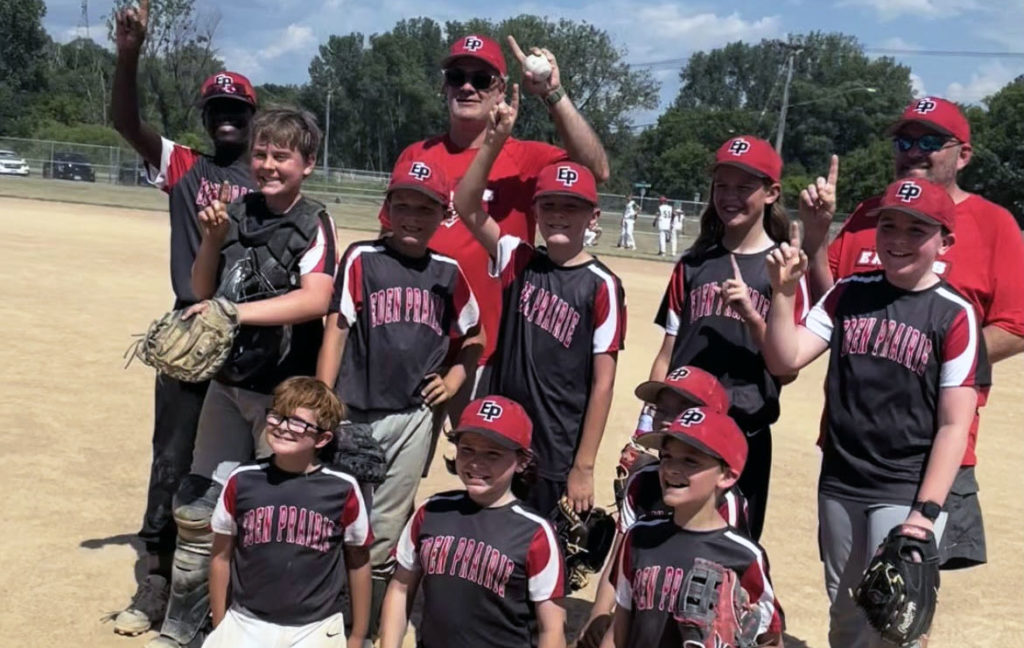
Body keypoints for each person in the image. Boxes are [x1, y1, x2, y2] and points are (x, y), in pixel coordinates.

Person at [764, 178, 990, 648]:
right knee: (846, 615)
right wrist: (783, 295)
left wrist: (924, 514)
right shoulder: (849, 292)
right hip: (842, 480)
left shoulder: (954, 314)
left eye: (916, 231)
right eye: (888, 227)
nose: (898, 241)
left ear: (944, 242)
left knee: (892, 623)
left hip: (905, 489)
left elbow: (954, 424)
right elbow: (786, 358)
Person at [800, 97, 1024, 569]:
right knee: (847, 593)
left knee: (903, 599)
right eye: (904, 141)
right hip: (852, 442)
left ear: (963, 154)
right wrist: (816, 238)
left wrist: (937, 357)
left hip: (931, 445)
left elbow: (1016, 325)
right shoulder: (870, 214)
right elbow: (830, 304)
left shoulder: (994, 223)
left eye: (929, 141)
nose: (913, 152)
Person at [149, 107, 338, 648]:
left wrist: (233, 315)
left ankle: (256, 621)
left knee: (266, 511)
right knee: (198, 505)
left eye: (283, 156)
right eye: (261, 154)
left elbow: (316, 298)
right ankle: (185, 626)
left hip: (281, 395)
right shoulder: (236, 209)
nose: (268, 165)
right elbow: (201, 288)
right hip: (229, 383)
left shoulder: (313, 221)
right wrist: (210, 239)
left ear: (307, 164)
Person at [110, 0, 258, 635]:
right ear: (207, 118)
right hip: (191, 336)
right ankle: (157, 581)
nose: (226, 118)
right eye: (217, 110)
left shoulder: (271, 177)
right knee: (171, 460)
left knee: (253, 465)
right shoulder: (185, 166)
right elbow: (124, 120)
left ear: (251, 119)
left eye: (237, 111)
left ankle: (249, 586)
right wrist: (129, 53)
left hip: (257, 342)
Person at [380, 33, 610, 425]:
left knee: (484, 466)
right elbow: (388, 241)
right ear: (444, 85)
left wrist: (553, 94)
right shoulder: (417, 155)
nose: (467, 86)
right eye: (457, 76)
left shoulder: (526, 157)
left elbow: (596, 169)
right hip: (417, 339)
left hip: (494, 346)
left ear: (501, 89)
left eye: (482, 79)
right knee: (396, 463)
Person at [316, 159, 484, 634]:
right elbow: (338, 327)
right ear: (385, 209)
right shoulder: (362, 258)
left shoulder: (448, 272)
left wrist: (454, 380)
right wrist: (324, 407)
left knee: (386, 528)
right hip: (353, 412)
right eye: (403, 205)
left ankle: (363, 627)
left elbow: (476, 335)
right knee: (340, 514)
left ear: (442, 215)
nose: (413, 217)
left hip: (414, 417)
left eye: (425, 208)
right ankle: (325, 612)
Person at [453, 91, 626, 520]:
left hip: (558, 445)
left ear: (593, 217)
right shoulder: (519, 257)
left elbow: (602, 384)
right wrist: (493, 141)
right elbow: (466, 205)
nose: (560, 215)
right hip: (502, 433)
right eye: (549, 205)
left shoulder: (602, 285)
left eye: (573, 207)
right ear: (536, 211)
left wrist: (583, 466)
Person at [648, 135, 808, 542]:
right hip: (682, 435)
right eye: (722, 185)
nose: (730, 196)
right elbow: (668, 350)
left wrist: (753, 317)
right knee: (665, 543)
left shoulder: (783, 269)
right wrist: (645, 425)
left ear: (771, 192)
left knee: (731, 550)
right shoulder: (693, 264)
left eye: (744, 186)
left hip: (743, 435)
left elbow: (784, 370)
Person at [577, 366, 750, 648]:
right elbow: (621, 558)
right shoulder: (642, 481)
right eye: (663, 408)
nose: (669, 418)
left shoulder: (723, 499)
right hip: (643, 608)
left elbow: (729, 578)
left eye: (683, 408)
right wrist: (598, 614)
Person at [379, 396, 566, 648]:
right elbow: (401, 587)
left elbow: (552, 628)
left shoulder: (535, 532)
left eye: (493, 453)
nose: (476, 462)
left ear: (522, 461)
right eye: (467, 449)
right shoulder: (432, 510)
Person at [204, 377, 372, 648]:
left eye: (298, 422)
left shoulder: (342, 488)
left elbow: (359, 561)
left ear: (323, 438)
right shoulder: (242, 480)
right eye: (277, 417)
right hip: (246, 620)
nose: (283, 427)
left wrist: (357, 635)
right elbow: (221, 556)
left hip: (316, 626)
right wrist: (221, 626)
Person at [604, 407, 784, 648]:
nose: (671, 468)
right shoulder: (639, 538)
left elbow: (771, 639)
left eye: (690, 460)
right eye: (667, 456)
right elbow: (621, 624)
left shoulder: (745, 557)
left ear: (727, 476)